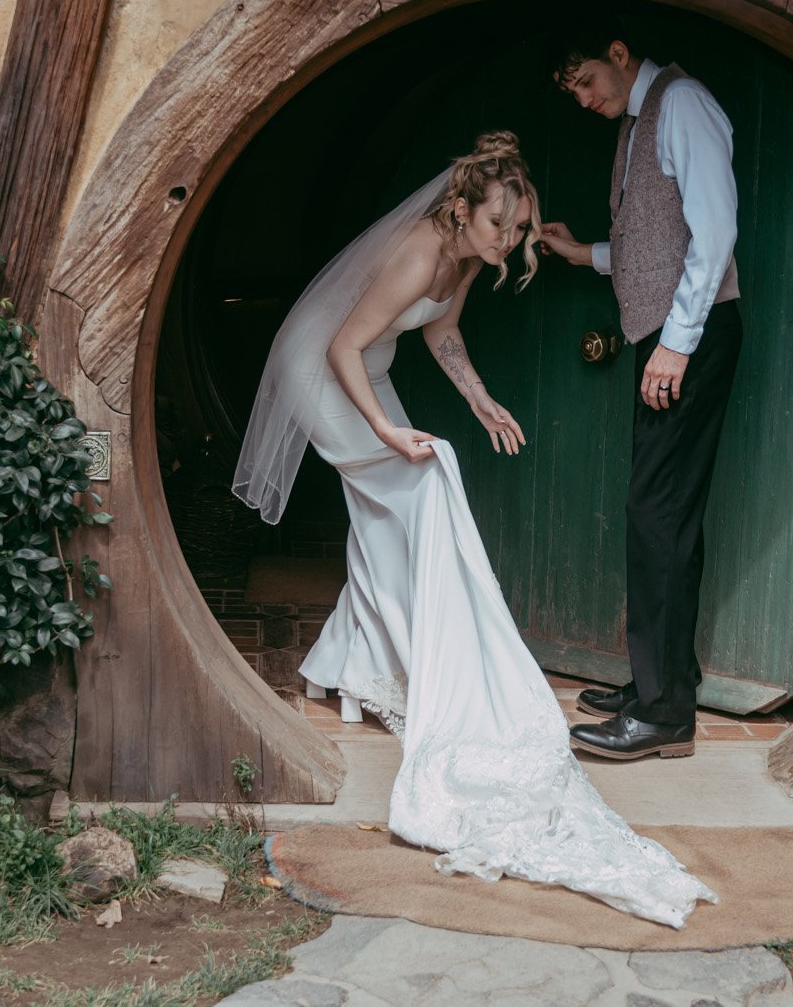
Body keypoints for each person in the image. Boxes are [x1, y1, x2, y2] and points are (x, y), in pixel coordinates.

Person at [233, 132, 716, 928]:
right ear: (461, 210)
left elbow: (440, 336)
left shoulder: (465, 262)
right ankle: (390, 657)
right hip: (320, 370)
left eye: (520, 229)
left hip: (369, 364)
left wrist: (481, 400)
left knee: (403, 498)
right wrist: (388, 435)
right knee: (421, 481)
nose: (513, 242)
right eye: (502, 226)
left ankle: (355, 664)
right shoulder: (420, 254)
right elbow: (341, 343)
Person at [540, 19, 745, 763]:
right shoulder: (638, 119)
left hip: (686, 339)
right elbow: (652, 239)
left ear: (619, 53)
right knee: (671, 514)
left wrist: (677, 345)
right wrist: (582, 253)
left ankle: (661, 715)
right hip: (670, 338)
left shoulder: (680, 103)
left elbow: (713, 232)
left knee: (653, 510)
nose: (585, 99)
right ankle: (667, 683)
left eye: (588, 81)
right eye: (574, 92)